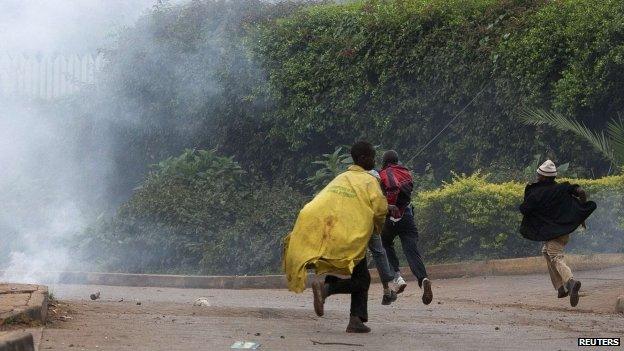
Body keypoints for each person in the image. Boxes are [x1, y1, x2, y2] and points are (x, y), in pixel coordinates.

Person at [283, 141, 388, 333]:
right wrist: (377, 228)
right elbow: (380, 209)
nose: (375, 160)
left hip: (336, 234)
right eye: (372, 156)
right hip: (352, 238)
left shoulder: (341, 177)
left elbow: (322, 202)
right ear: (363, 158)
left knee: (361, 275)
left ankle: (355, 320)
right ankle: (327, 289)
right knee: (362, 280)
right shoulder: (370, 181)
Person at [519, 160, 597, 307]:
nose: (537, 176)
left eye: (539, 175)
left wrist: (529, 197)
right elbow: (581, 192)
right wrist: (581, 216)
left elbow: (523, 209)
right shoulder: (562, 188)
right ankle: (560, 288)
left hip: (552, 232)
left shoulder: (537, 193)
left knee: (555, 256)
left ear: (543, 177)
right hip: (563, 230)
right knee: (546, 252)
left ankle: (571, 282)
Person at [379, 150, 433, 305]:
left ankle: (398, 276)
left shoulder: (384, 173)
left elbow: (392, 188)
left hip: (390, 217)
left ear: (385, 161)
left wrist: (391, 205)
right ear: (397, 160)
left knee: (385, 243)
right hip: (407, 216)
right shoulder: (406, 172)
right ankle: (423, 279)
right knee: (412, 251)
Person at [368, 169, 398, 305]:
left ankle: (387, 291)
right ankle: (386, 290)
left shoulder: (355, 187)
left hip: (350, 226)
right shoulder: (374, 189)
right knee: (380, 253)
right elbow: (378, 208)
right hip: (369, 226)